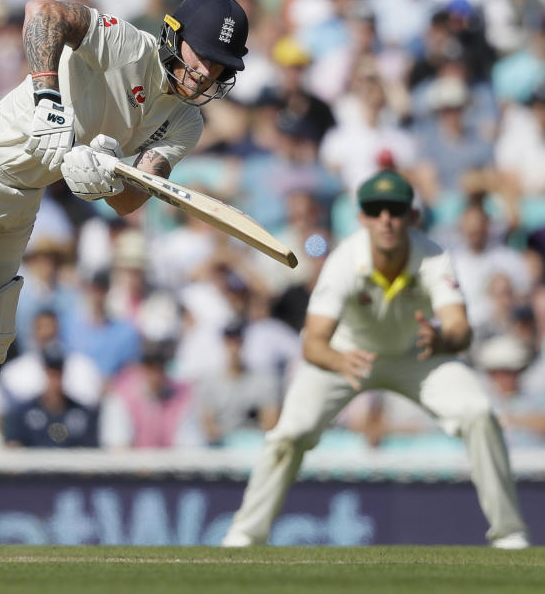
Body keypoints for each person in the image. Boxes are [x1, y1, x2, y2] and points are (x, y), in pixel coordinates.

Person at [0, 0, 249, 561]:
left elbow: (130, 198)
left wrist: (104, 176)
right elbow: (42, 11)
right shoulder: (127, 43)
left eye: (221, 68)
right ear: (174, 36)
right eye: (202, 58)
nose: (207, 74)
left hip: (21, 200)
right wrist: (48, 94)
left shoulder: (186, 120)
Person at [221, 170, 529, 550]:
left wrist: (443, 339)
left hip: (417, 354)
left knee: (479, 412)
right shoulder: (343, 261)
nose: (386, 219)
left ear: (412, 217)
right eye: (376, 210)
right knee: (290, 433)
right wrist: (338, 361)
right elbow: (313, 344)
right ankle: (246, 534)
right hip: (348, 354)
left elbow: (460, 330)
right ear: (363, 217)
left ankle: (509, 533)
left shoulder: (433, 257)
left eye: (395, 210)